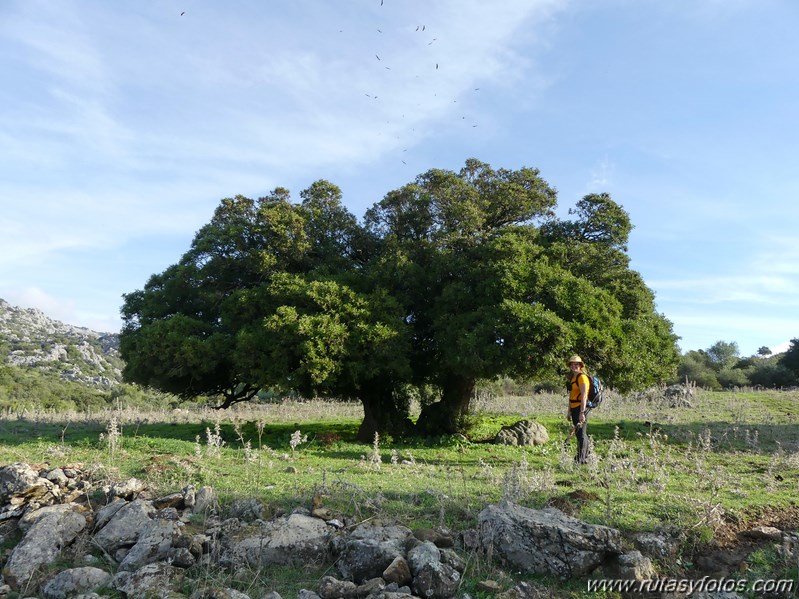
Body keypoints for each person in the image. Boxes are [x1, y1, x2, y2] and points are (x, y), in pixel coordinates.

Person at [566, 354, 590, 464]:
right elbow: (571, 395)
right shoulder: (573, 377)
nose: (574, 366)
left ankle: (581, 459)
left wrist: (582, 412)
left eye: (577, 364)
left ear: (580, 365)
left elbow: (584, 395)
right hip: (574, 408)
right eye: (572, 364)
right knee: (579, 433)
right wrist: (569, 411)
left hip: (581, 409)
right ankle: (586, 457)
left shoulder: (582, 377)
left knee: (581, 434)